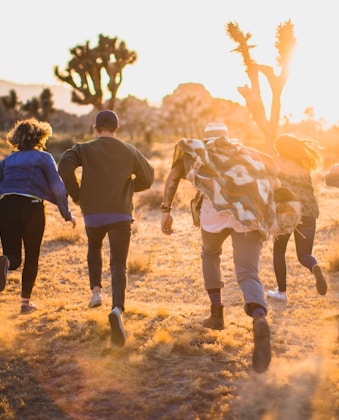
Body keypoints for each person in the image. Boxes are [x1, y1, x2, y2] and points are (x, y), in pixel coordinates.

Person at [161, 122, 279, 373]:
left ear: (206, 138)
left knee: (210, 256)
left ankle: (216, 315)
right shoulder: (247, 154)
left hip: (212, 218)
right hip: (247, 216)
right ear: (228, 136)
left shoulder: (199, 152)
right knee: (248, 271)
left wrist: (166, 210)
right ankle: (258, 315)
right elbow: (272, 173)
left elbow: (173, 176)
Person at [58, 110, 154, 347]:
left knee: (94, 248)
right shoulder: (129, 150)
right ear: (117, 129)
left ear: (95, 128)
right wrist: (130, 186)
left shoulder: (83, 149)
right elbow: (149, 177)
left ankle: (96, 293)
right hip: (121, 213)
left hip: (94, 214)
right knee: (119, 263)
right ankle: (117, 309)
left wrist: (77, 194)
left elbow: (63, 166)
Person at [0, 118, 76, 313]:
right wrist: (66, 214)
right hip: (31, 207)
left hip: (6, 206)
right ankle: (25, 304)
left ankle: (5, 262)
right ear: (40, 137)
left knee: (12, 257)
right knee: (32, 256)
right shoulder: (44, 158)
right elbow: (57, 186)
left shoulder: (7, 160)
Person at [267, 134, 327, 302]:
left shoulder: (276, 164)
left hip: (286, 212)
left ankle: (282, 292)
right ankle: (313, 266)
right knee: (304, 255)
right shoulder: (303, 166)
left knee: (279, 251)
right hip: (308, 211)